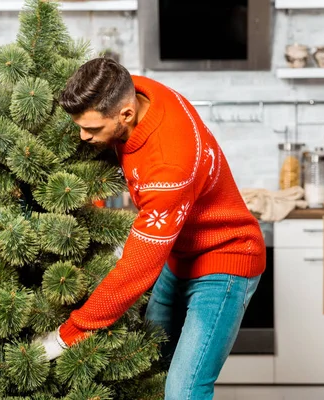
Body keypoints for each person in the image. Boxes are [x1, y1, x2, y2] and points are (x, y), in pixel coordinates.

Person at [34, 57, 266, 400]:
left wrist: (70, 333)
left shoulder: (169, 164)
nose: (83, 137)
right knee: (147, 365)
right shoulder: (134, 89)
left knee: (183, 390)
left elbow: (136, 268)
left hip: (225, 259)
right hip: (178, 255)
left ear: (126, 115)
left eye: (93, 130)